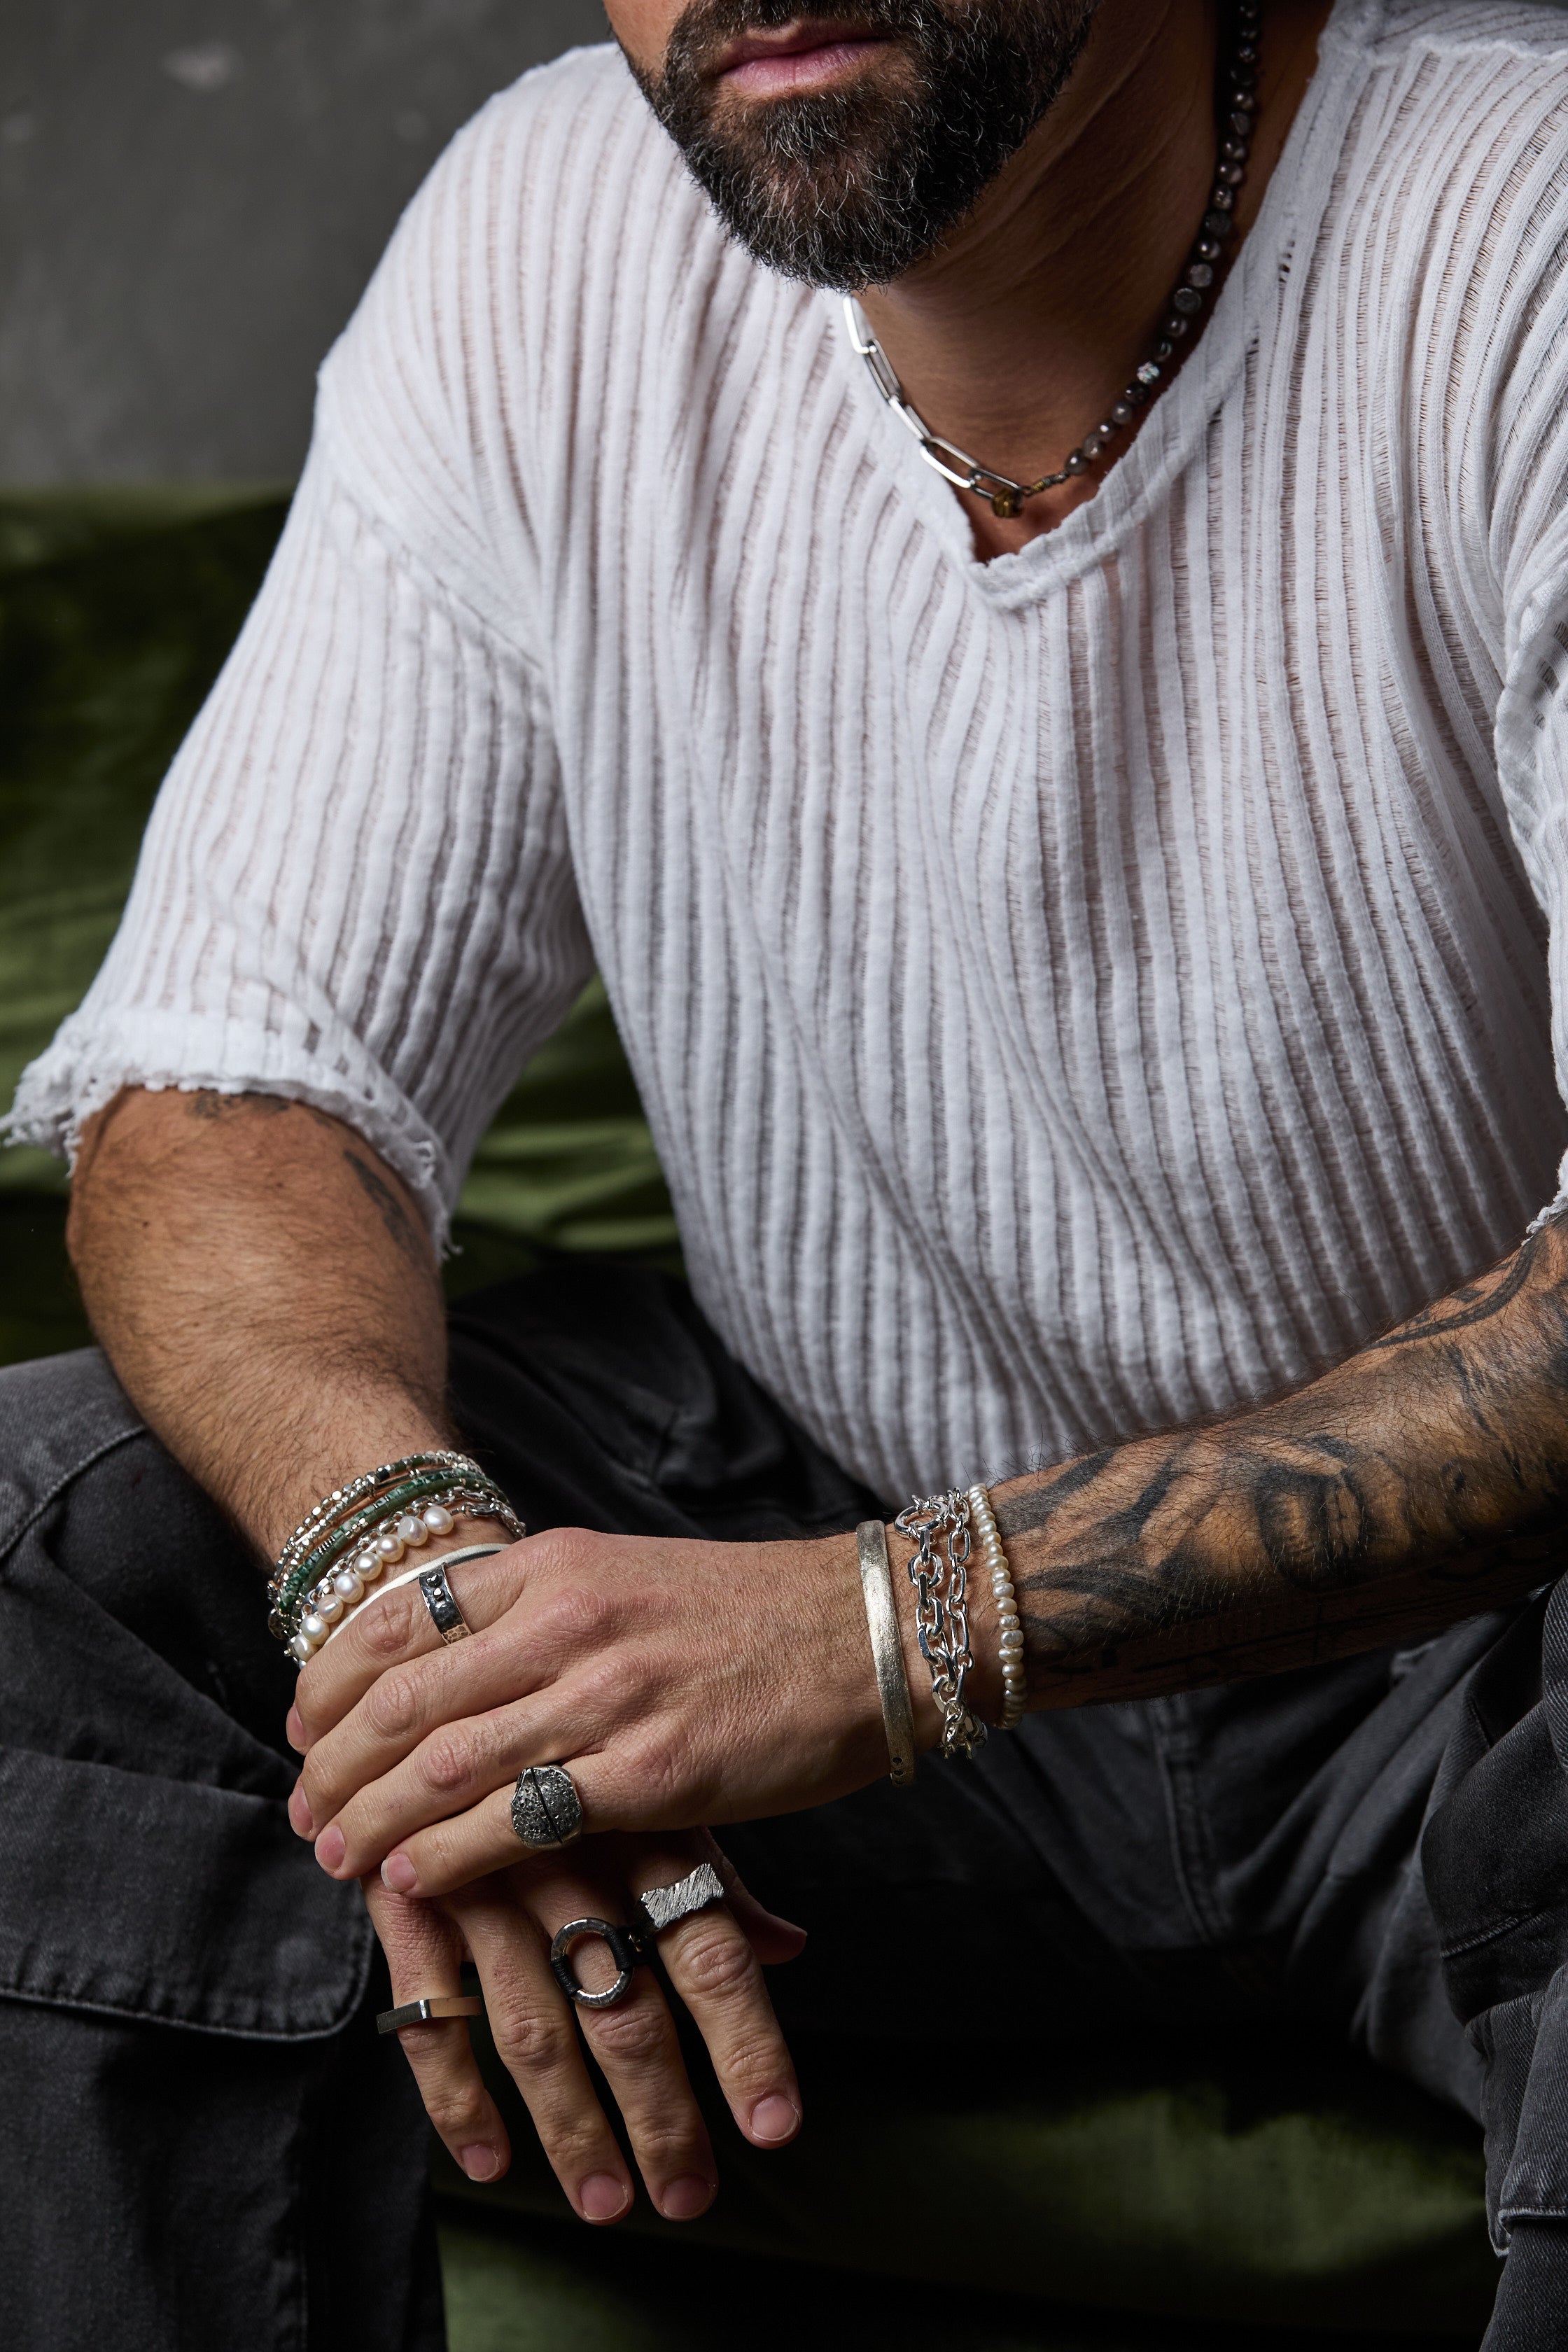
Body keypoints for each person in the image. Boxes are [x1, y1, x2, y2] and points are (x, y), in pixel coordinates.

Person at [8, 0, 1568, 2341]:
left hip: (1485, 1658)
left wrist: (894, 1630)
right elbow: (229, 1088)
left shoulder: (1514, 233)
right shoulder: (554, 233)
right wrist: (426, 1621)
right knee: (56, 1543)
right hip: (823, 1536)